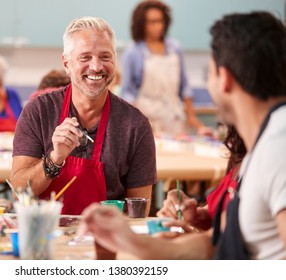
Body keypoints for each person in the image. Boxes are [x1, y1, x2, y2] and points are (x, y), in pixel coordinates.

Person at [79, 11, 286, 259]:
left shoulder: (278, 148)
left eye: (208, 73)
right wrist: (130, 240)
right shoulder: (263, 148)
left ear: (225, 79)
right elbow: (214, 244)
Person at [11, 17, 156, 215]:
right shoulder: (38, 112)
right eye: (85, 57)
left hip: (105, 239)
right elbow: (19, 191)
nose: (96, 67)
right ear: (67, 63)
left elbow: (138, 213)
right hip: (46, 236)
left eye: (105, 57)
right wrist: (55, 159)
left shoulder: (135, 126)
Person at [121, 0, 212, 136]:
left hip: (175, 121)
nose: (158, 26)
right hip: (147, 122)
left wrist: (193, 120)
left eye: (161, 21)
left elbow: (185, 87)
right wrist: (136, 124)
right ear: (142, 24)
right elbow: (127, 94)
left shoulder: (175, 49)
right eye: (152, 22)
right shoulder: (133, 52)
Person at [157, 125, 246, 232]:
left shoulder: (264, 157)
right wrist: (195, 216)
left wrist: (195, 241)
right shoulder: (242, 150)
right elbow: (218, 215)